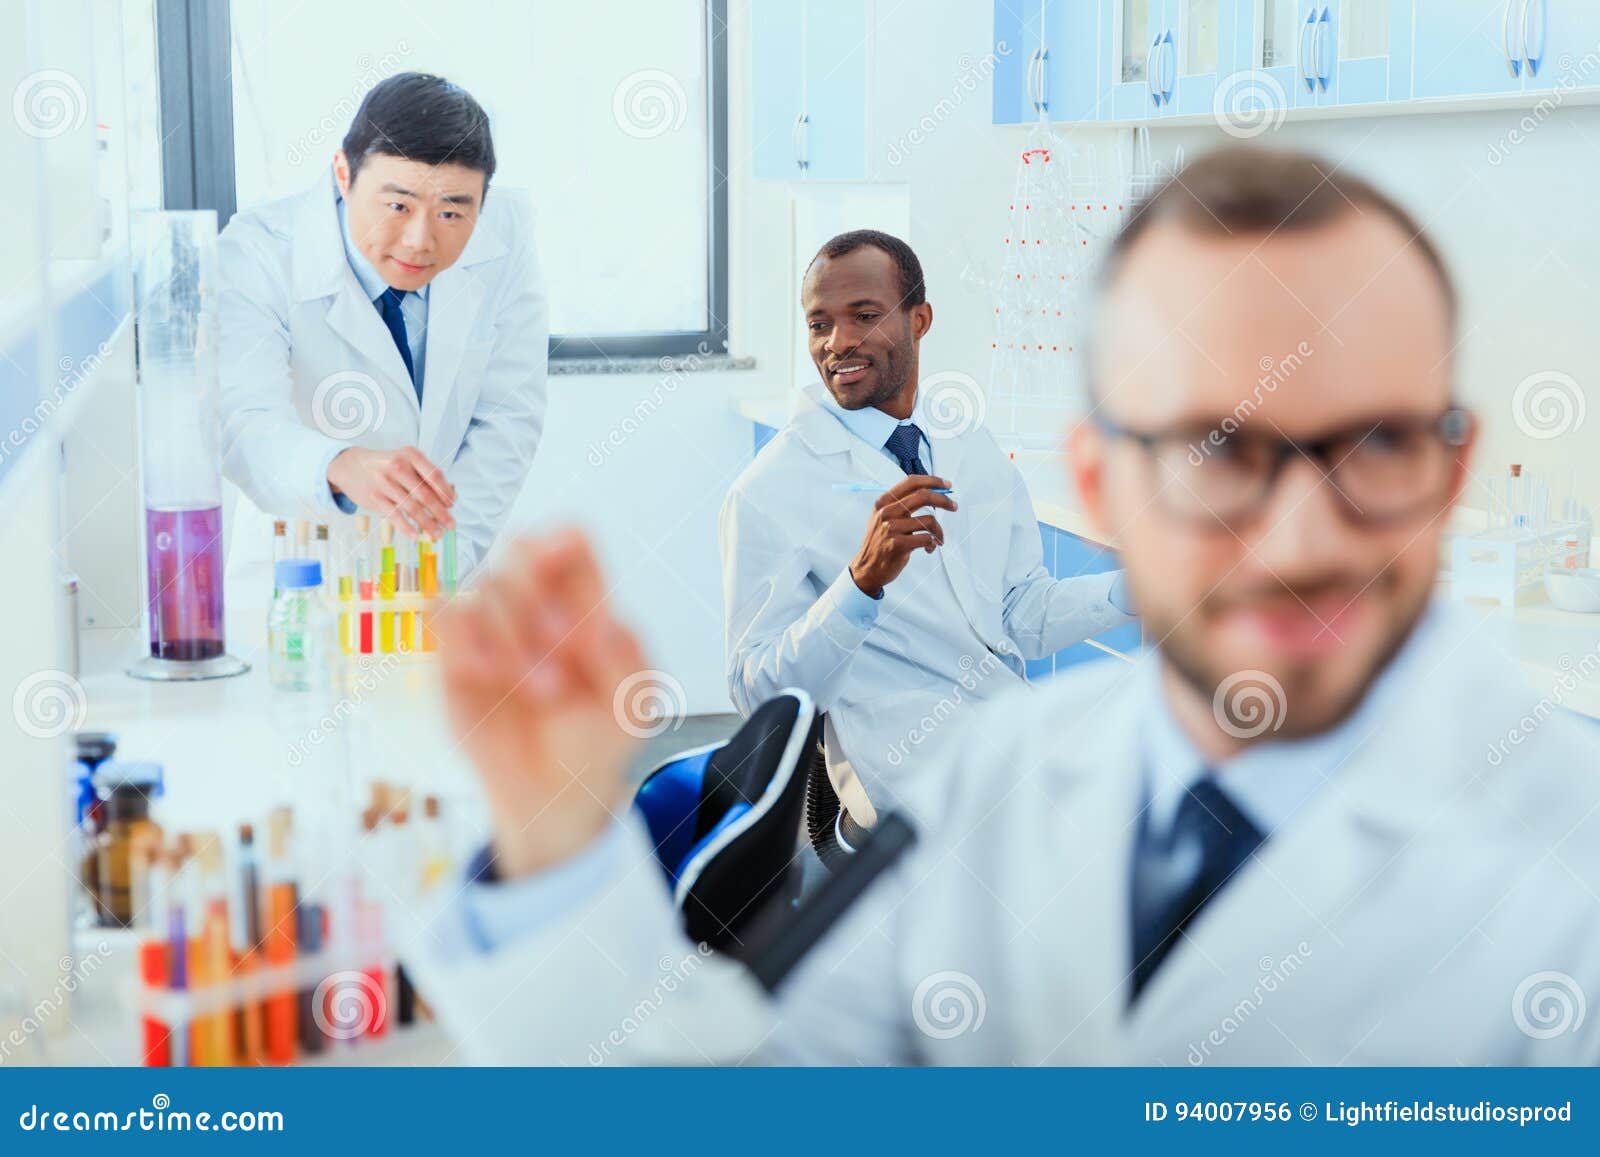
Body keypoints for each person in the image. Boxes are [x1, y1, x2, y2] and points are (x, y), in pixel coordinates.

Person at [405, 148, 1600, 1065]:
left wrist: (1180, 579)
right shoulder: (1009, 789)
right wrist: (557, 860)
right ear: (1104, 478)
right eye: (1212, 452)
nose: (1288, 532)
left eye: (1370, 443)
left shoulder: (1569, 861)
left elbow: (1023, 613)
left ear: (1453, 468)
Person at [720, 230, 1134, 811]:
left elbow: (1021, 617)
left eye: (864, 314)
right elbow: (759, 695)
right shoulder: (769, 490)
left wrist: (1142, 587)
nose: (838, 343)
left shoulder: (966, 442)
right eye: (819, 324)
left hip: (1004, 732)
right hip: (901, 770)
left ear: (919, 320)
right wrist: (860, 584)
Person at [217, 71, 548, 577]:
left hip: (444, 562)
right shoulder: (260, 252)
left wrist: (446, 561)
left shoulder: (505, 235)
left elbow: (507, 417)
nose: (420, 239)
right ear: (343, 175)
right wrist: (338, 464)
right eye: (398, 205)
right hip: (303, 565)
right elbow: (245, 422)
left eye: (452, 213)